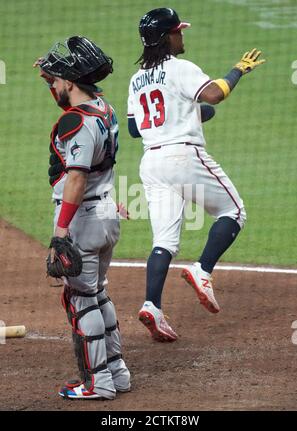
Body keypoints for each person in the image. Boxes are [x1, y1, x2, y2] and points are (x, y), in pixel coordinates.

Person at [127, 8, 265, 342]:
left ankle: (152, 306)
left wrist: (189, 113)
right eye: (177, 31)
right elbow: (214, 94)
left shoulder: (136, 79)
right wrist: (238, 70)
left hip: (151, 163)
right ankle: (202, 269)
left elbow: (135, 128)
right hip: (182, 156)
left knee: (164, 241)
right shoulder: (180, 68)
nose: (182, 35)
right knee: (233, 211)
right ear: (165, 38)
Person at [35, 36, 130, 399]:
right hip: (106, 211)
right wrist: (50, 73)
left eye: (56, 81)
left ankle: (98, 383)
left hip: (83, 218)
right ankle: (117, 373)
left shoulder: (73, 122)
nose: (53, 86)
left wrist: (61, 233)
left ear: (71, 83)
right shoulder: (104, 108)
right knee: (97, 294)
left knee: (79, 299)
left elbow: (76, 177)